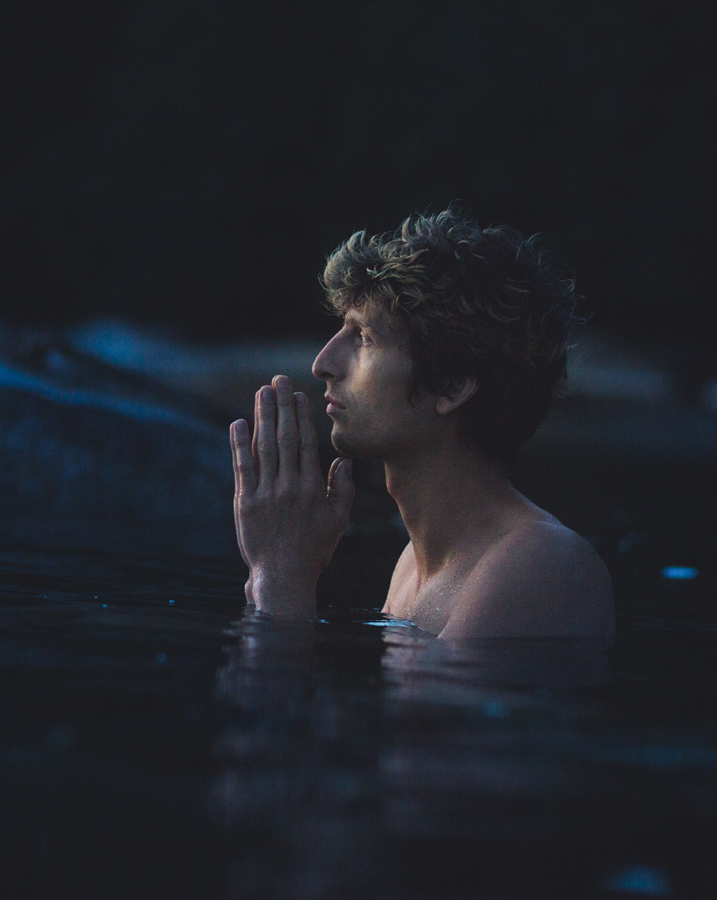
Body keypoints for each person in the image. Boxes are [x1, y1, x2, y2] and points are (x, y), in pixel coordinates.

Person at [228, 207, 614, 642]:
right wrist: (270, 569)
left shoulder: (542, 564)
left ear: (450, 385)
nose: (322, 364)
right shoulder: (411, 566)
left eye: (364, 338)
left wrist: (282, 578)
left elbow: (277, 702)